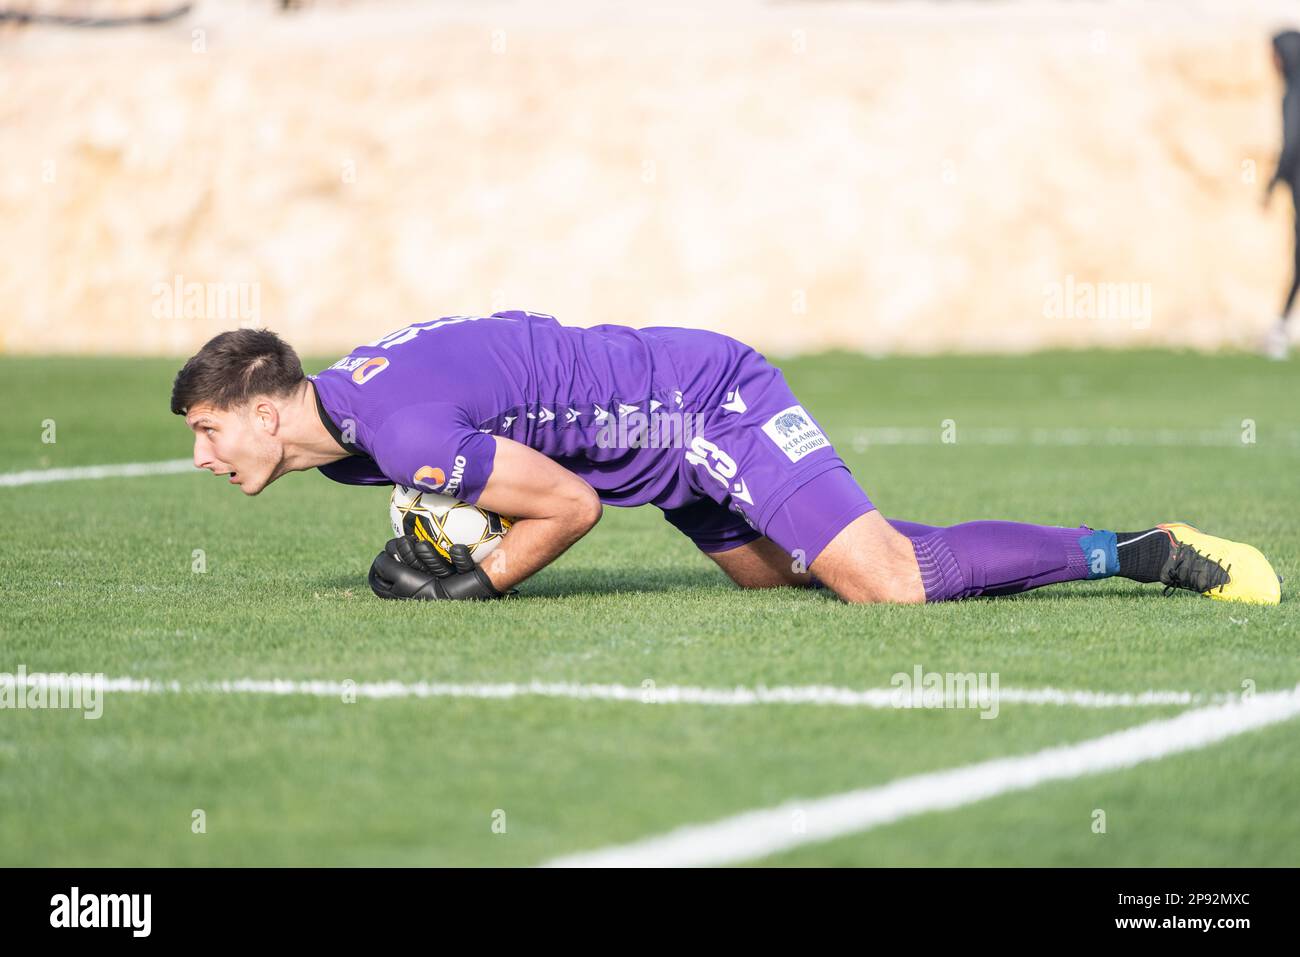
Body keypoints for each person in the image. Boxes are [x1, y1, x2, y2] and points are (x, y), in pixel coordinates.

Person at [169, 313, 1281, 605]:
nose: (205, 455)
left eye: (210, 430)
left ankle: (1141, 550)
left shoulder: (393, 433)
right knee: (792, 577)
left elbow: (561, 506)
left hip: (698, 401)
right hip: (656, 461)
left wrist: (475, 576)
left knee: (882, 584)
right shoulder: (353, 425)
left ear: (265, 409)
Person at [1263, 29, 1300, 359]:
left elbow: (1290, 146)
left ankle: (1278, 329)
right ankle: (1279, 327)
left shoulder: (1294, 94)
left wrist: (1272, 185)